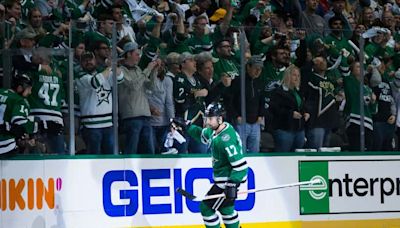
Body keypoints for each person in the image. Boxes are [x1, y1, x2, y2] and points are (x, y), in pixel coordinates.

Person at [172, 102, 248, 228]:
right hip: (225, 181)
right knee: (226, 210)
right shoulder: (215, 131)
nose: (207, 121)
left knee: (206, 208)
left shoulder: (226, 140)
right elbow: (202, 134)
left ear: (219, 119)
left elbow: (241, 166)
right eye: (206, 118)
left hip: (226, 182)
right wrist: (187, 126)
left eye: (210, 118)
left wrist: (233, 183)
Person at [0, 73, 36, 155]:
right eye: (29, 89)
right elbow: (19, 122)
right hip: (5, 145)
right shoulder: (19, 101)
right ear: (20, 88)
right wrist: (38, 127)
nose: (30, 92)